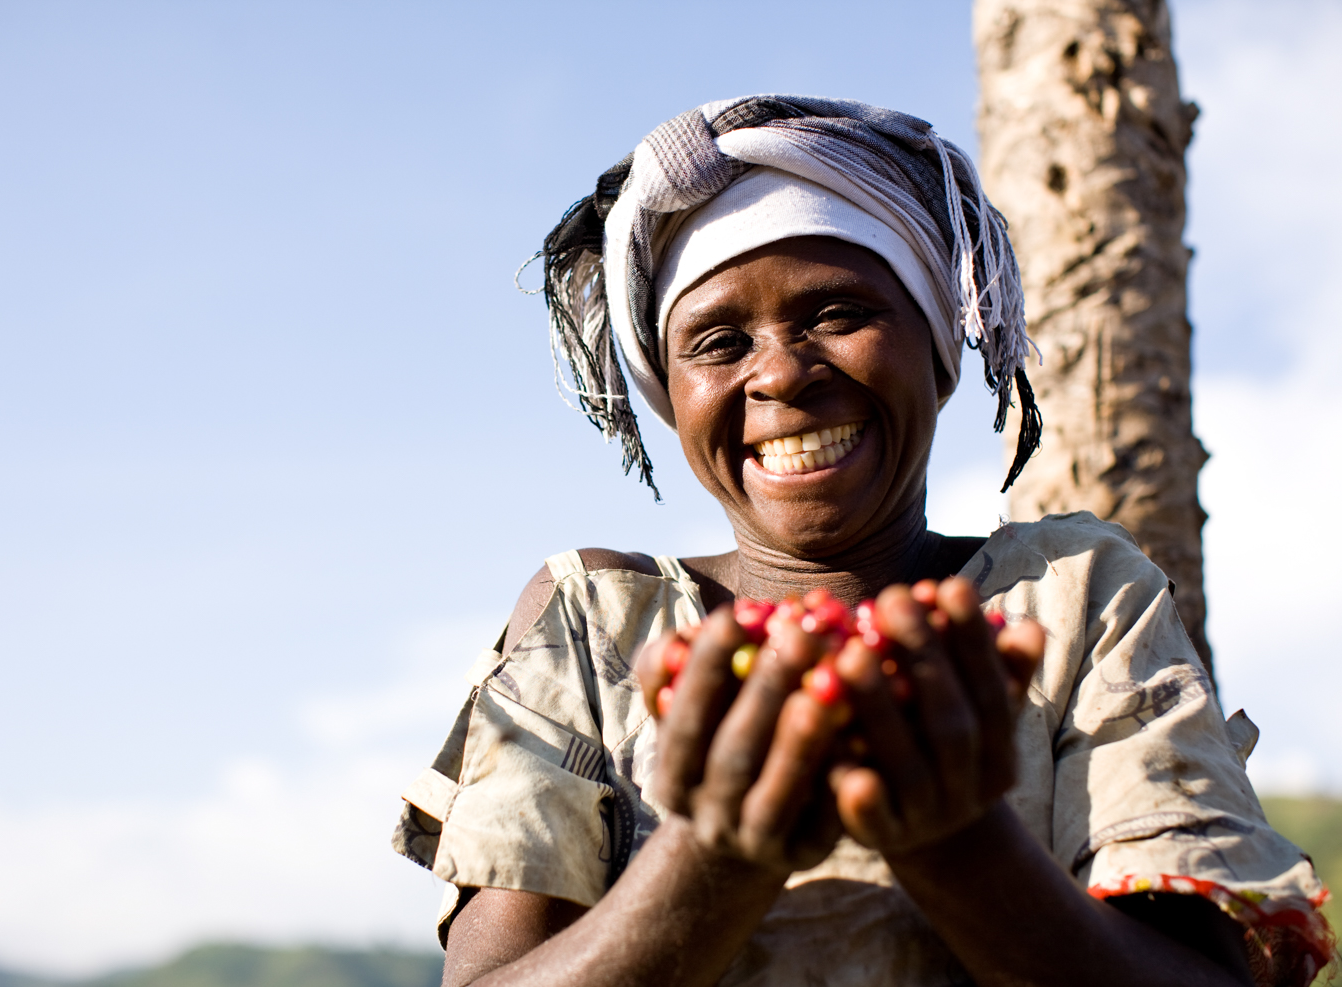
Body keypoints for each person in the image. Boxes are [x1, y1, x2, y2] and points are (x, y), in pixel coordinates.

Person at [392, 95, 1332, 987]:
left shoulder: (1075, 599)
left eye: (837, 313)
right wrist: (712, 856)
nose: (781, 374)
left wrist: (957, 845)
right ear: (669, 398)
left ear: (938, 345)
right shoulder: (598, 627)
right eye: (717, 341)